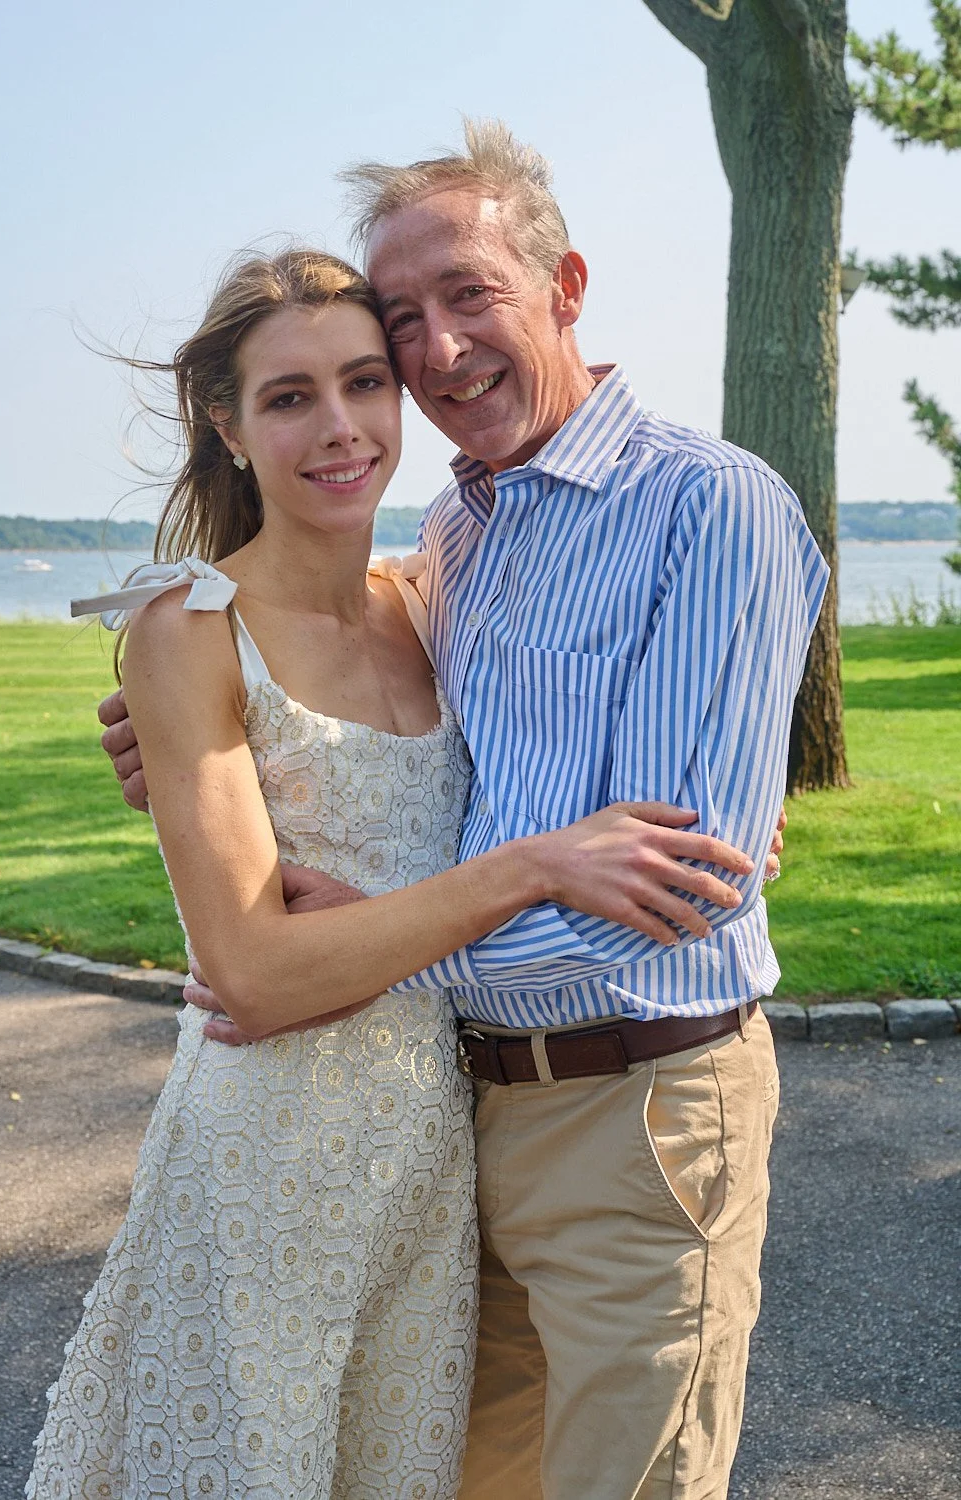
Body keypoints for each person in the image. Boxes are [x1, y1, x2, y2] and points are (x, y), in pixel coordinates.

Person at [99, 122, 822, 1500]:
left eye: (467, 300)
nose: (434, 356)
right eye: (404, 326)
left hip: (642, 1108)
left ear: (566, 286)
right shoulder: (466, 534)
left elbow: (675, 895)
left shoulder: (708, 503)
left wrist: (368, 951)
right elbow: (414, 767)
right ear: (230, 422)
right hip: (451, 1132)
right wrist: (199, 735)